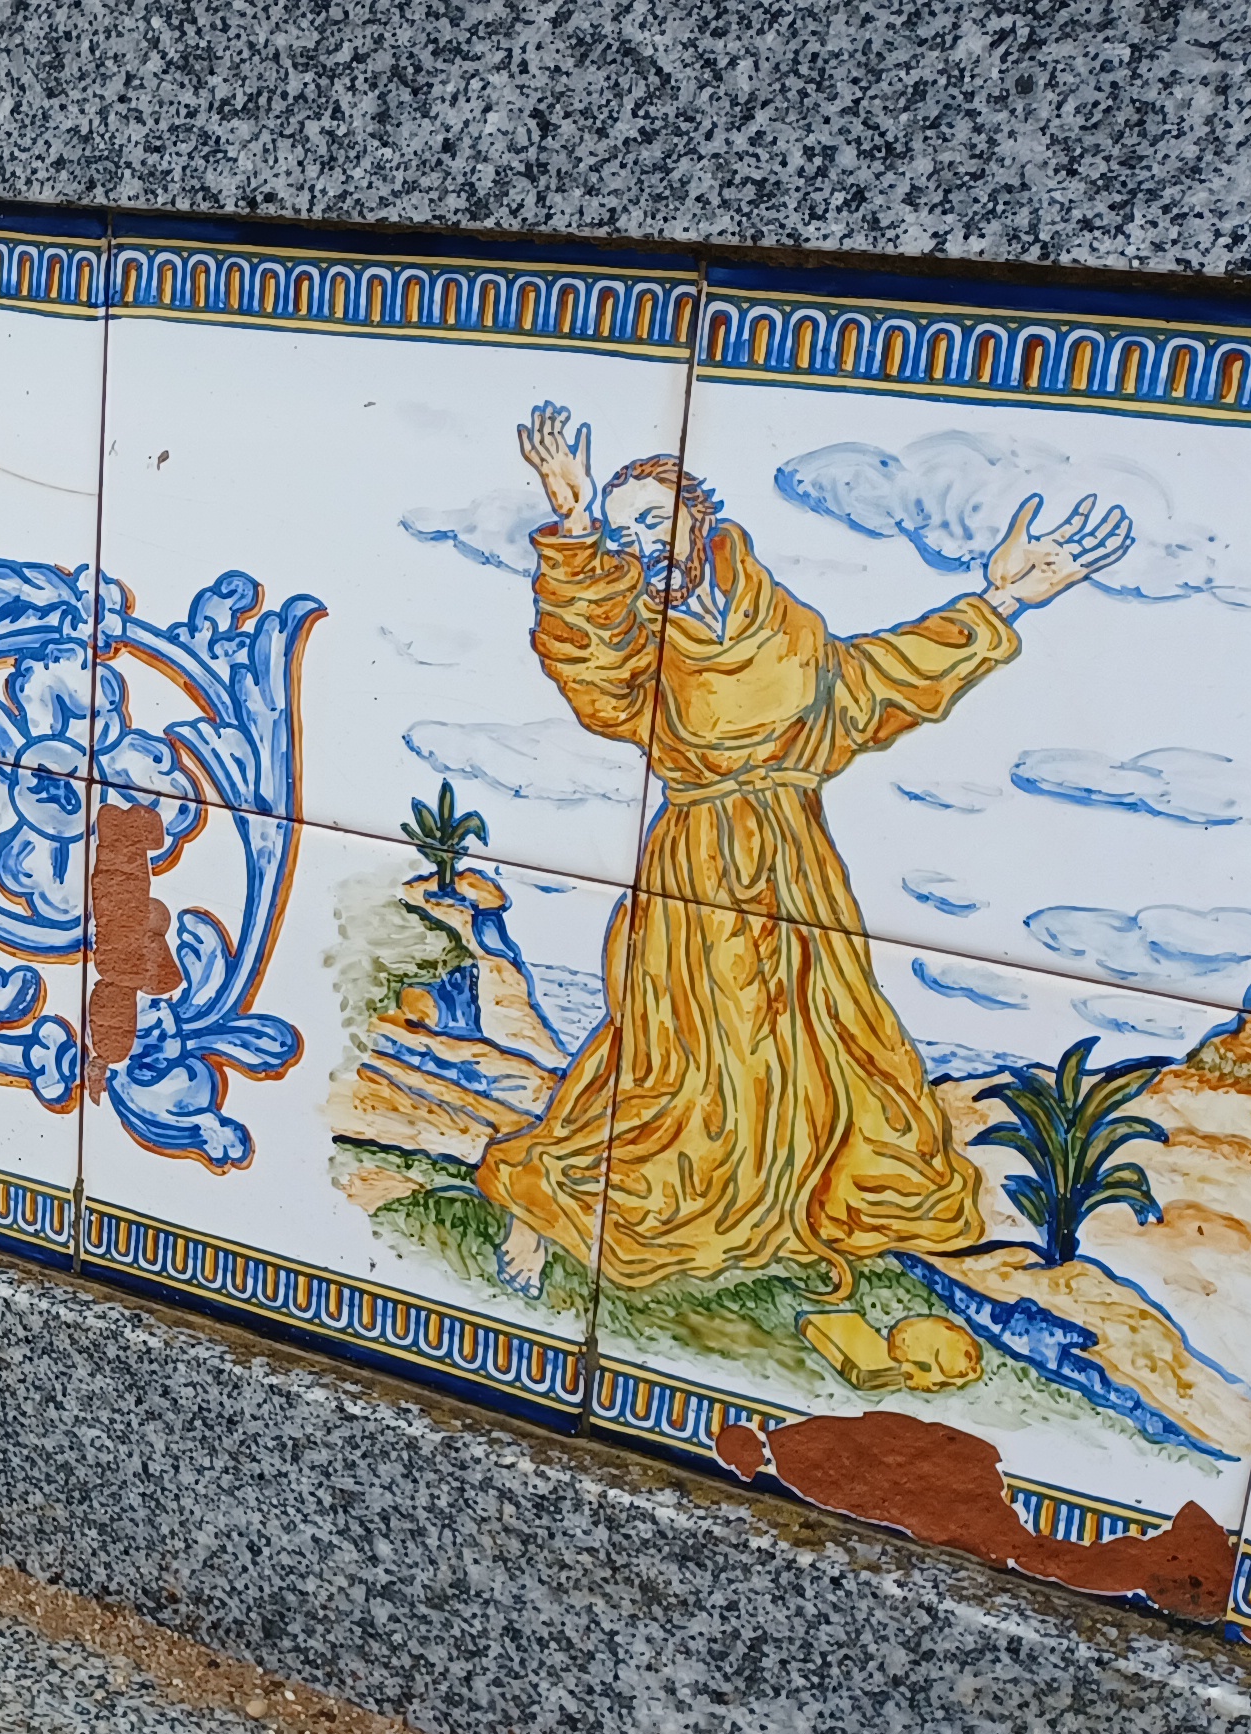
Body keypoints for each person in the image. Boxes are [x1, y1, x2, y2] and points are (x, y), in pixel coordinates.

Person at [474, 402, 1135, 1297]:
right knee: (691, 1052)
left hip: (798, 864)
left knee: (829, 1041)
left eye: (653, 522)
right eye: (624, 536)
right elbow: (588, 664)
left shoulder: (783, 627)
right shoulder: (645, 649)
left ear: (699, 517)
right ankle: (553, 1202)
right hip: (705, 860)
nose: (642, 546)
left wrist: (1003, 599)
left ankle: (789, 1211)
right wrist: (575, 527)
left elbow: (878, 681)